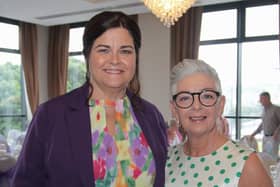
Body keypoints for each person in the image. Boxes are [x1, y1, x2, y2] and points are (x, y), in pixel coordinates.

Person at [11, 11, 168, 187]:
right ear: (87, 55)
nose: (115, 60)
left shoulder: (151, 115)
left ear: (135, 57)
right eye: (104, 50)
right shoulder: (51, 115)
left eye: (125, 51)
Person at [165, 59, 273, 187]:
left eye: (207, 96)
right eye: (185, 98)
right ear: (174, 110)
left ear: (220, 105)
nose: (196, 106)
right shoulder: (167, 159)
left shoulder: (247, 165)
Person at [251, 91, 280, 160]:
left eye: (261, 99)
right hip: (265, 137)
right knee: (265, 157)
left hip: (273, 137)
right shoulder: (264, 110)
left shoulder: (276, 109)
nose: (260, 102)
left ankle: (272, 170)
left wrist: (277, 132)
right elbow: (262, 124)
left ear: (267, 99)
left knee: (272, 158)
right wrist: (253, 134)